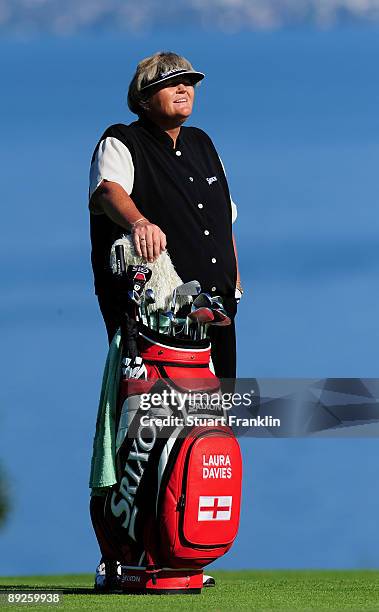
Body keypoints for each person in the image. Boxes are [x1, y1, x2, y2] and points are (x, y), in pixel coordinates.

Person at [88, 51, 243, 590]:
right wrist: (139, 223)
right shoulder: (121, 141)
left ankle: (180, 554)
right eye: (172, 83)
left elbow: (226, 218)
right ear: (143, 95)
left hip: (213, 325)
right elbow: (107, 192)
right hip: (150, 329)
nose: (185, 90)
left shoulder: (202, 144)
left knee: (202, 435)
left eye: (190, 83)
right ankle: (123, 559)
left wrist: (235, 282)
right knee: (136, 438)